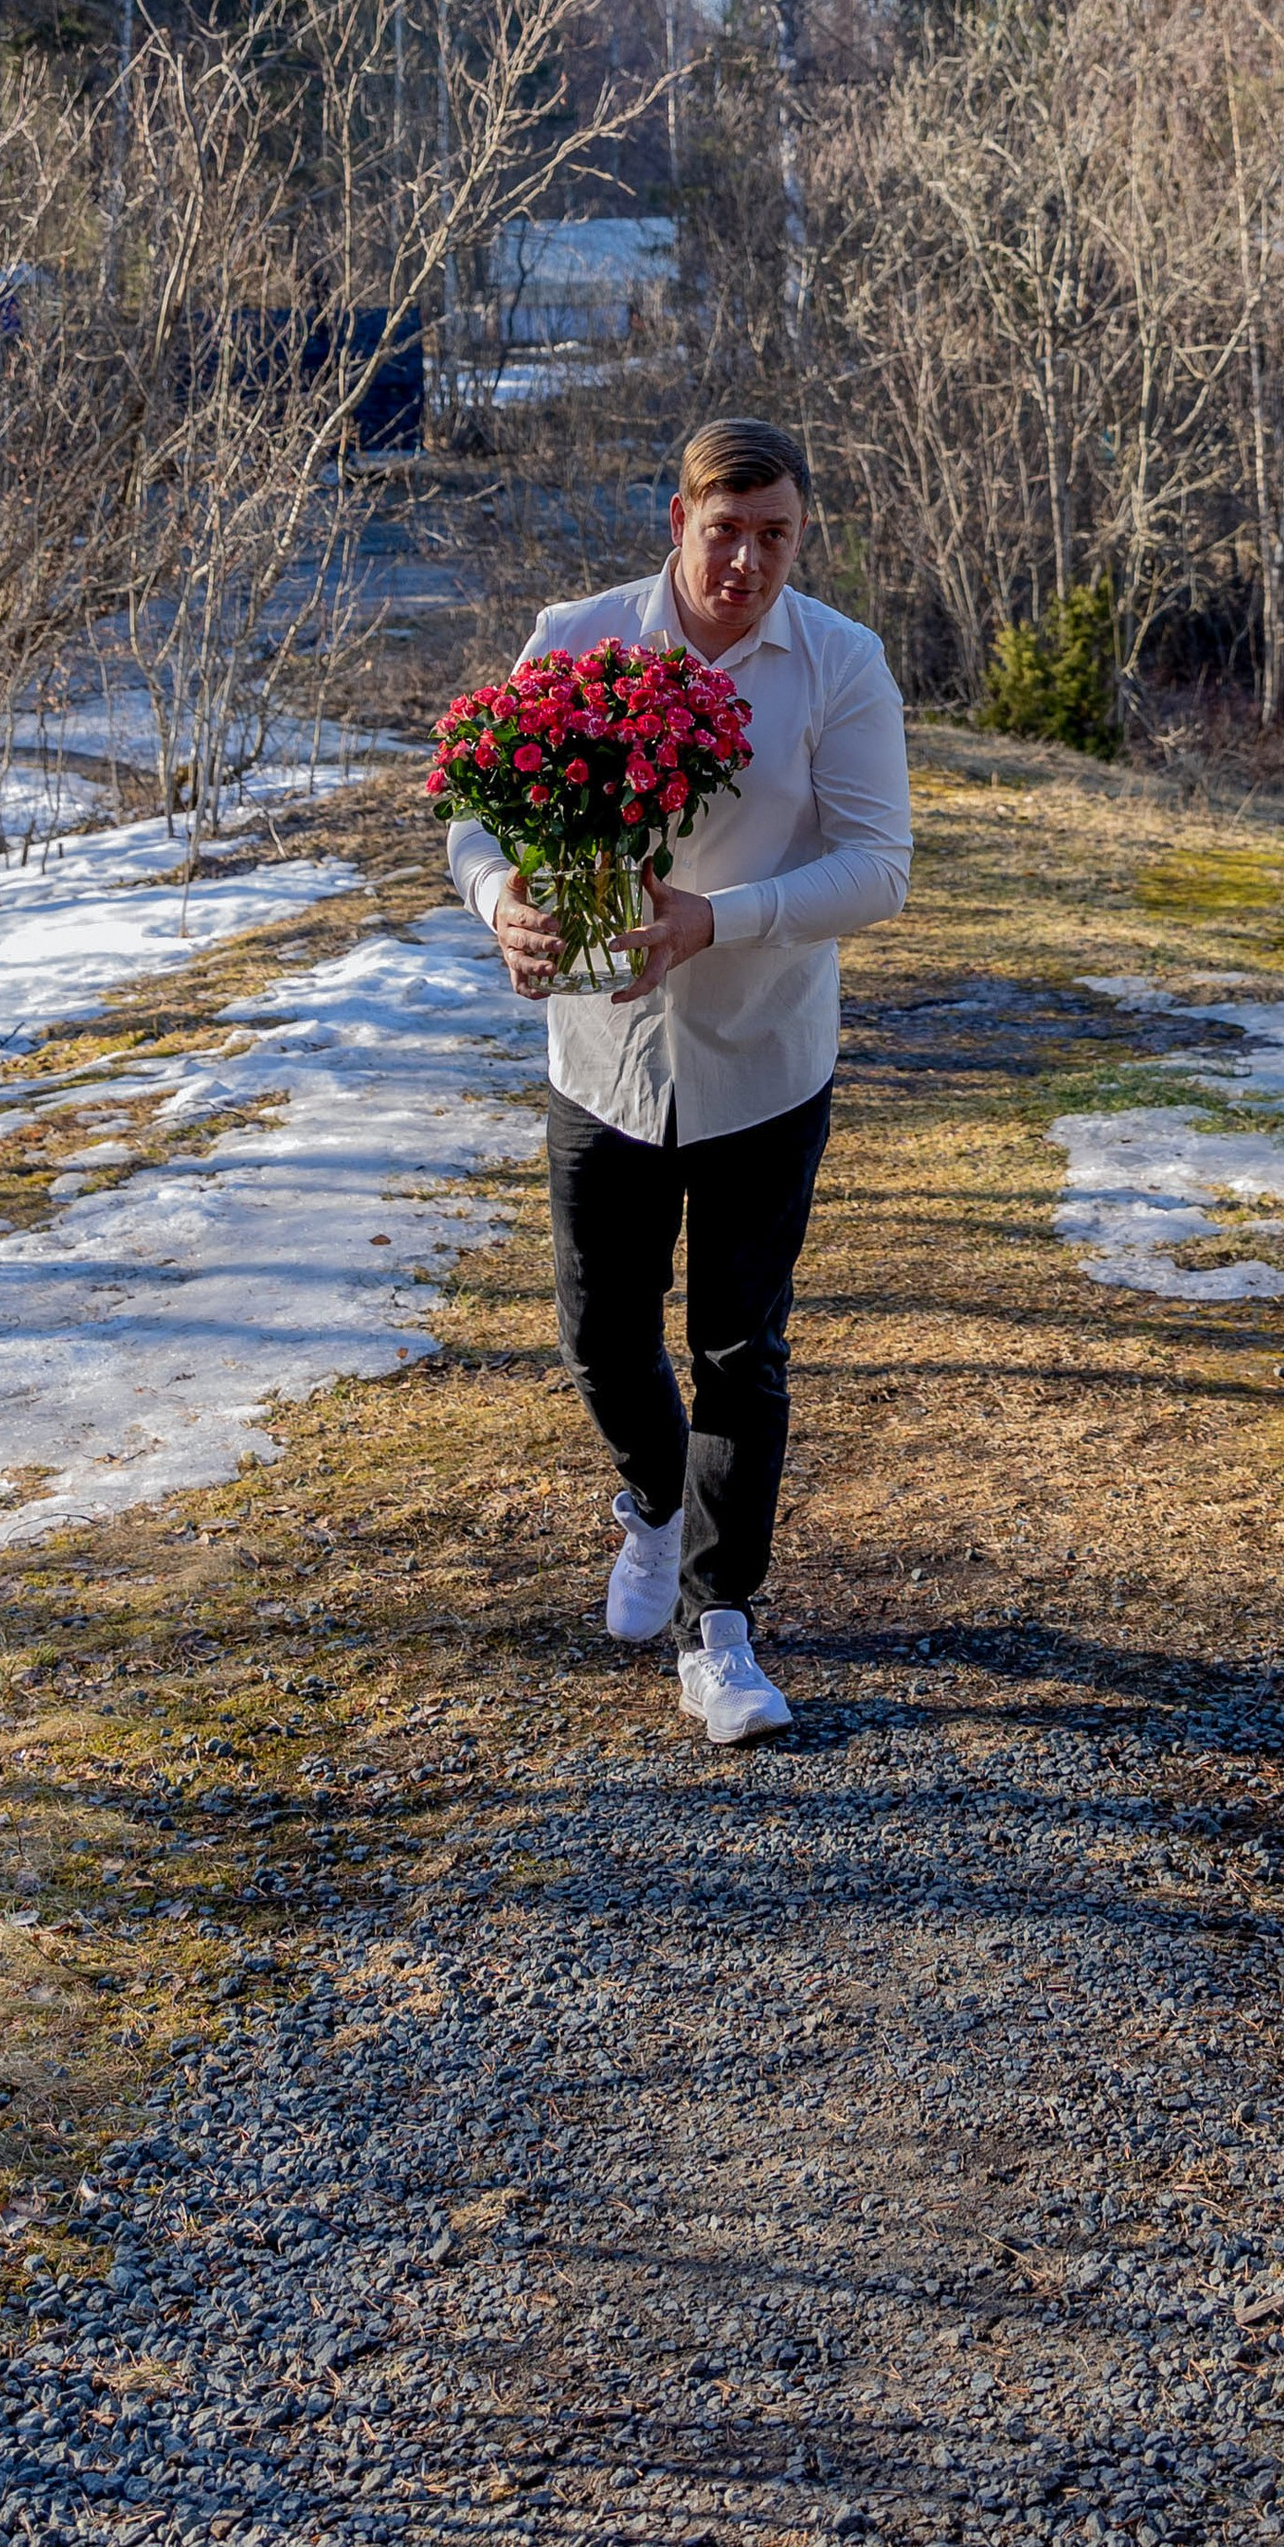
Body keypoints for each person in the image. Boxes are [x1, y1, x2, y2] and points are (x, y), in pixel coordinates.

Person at [446, 417, 912, 1744]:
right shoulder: (583, 637)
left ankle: (724, 1628)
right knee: (599, 1333)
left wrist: (723, 918)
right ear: (679, 521)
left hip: (762, 1059)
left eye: (777, 535)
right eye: (728, 530)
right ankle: (652, 1496)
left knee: (738, 1351)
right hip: (602, 1059)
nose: (750, 561)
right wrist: (501, 902)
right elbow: (476, 805)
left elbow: (881, 864)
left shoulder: (839, 664)